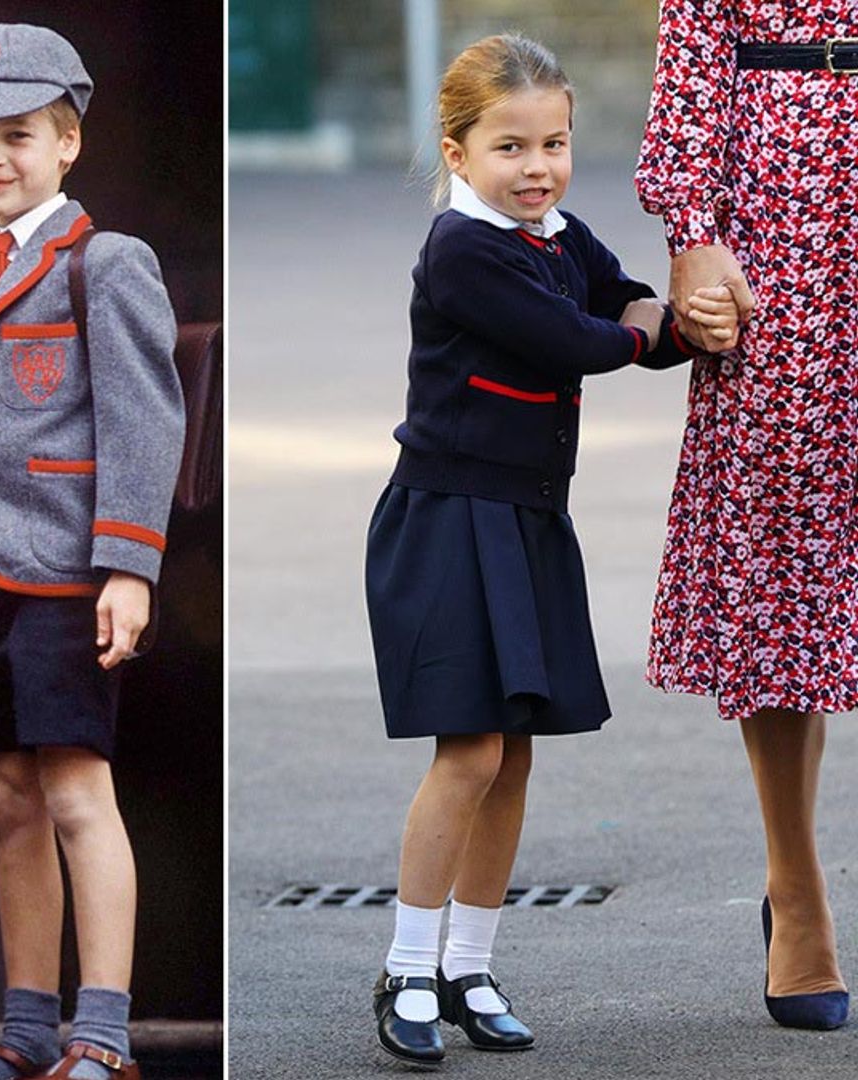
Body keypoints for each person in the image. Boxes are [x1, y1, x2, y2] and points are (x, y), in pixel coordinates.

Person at [363, 34, 732, 1066]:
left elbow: (612, 292)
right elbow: (583, 336)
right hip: (447, 520)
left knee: (514, 753)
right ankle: (406, 967)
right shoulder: (464, 248)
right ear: (458, 152)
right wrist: (680, 327)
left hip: (525, 520)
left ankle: (469, 967)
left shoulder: (556, 234)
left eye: (555, 143)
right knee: (469, 749)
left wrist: (662, 316)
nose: (537, 167)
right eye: (511, 147)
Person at [0, 24, 182, 1080]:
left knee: (72, 792)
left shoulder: (106, 263)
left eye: (15, 136)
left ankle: (99, 1032)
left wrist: (130, 565)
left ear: (68, 143)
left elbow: (144, 420)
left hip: (66, 574)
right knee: (4, 799)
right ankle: (24, 1031)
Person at [638, 0, 858, 1032]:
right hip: (786, 210)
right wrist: (695, 234)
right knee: (785, 551)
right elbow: (694, 44)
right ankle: (798, 888)